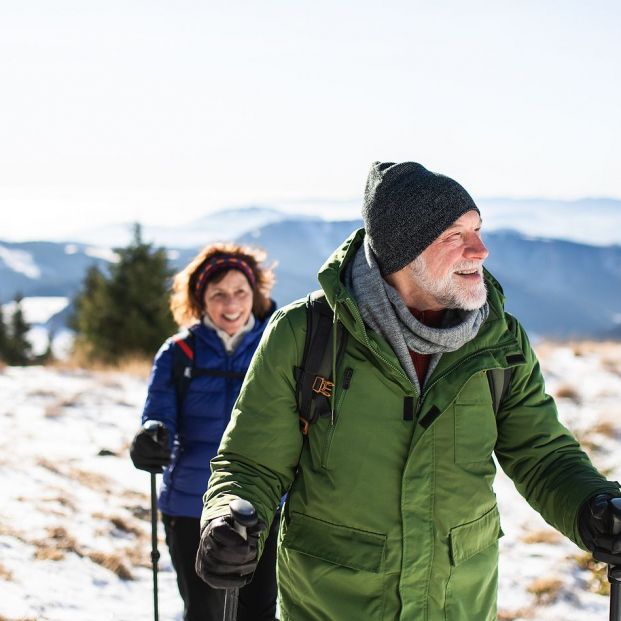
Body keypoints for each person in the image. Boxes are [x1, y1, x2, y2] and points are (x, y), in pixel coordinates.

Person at [194, 162, 621, 621]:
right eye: (455, 236)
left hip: (456, 604)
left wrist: (592, 506)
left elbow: (543, 455)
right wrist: (225, 519)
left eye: (477, 229)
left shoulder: (500, 340)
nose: (480, 250)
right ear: (404, 254)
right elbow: (251, 462)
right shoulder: (307, 334)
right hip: (332, 605)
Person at [129, 242, 279, 621]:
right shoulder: (179, 353)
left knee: (257, 611)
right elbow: (159, 413)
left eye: (240, 293)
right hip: (189, 504)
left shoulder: (277, 346)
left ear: (255, 295)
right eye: (219, 295)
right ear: (201, 300)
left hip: (263, 505)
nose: (231, 304)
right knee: (204, 612)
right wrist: (152, 435)